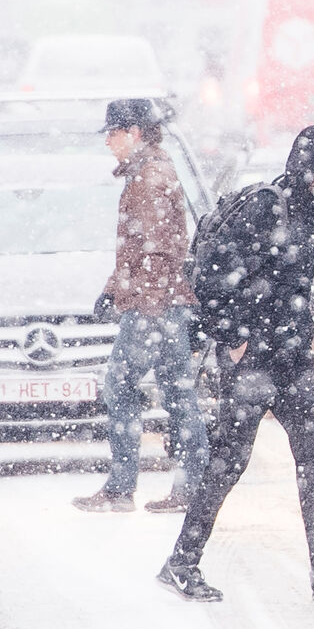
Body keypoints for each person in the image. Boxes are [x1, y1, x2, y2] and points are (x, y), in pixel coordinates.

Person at [158, 123, 314, 606]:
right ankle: (180, 562)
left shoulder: (308, 211)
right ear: (309, 164)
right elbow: (212, 276)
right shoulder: (266, 206)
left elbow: (287, 286)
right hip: (254, 360)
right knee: (228, 462)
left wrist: (301, 332)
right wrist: (233, 335)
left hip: (291, 358)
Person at [75, 96, 207, 516]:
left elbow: (153, 250)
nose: (108, 143)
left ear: (132, 133)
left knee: (119, 386)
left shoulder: (148, 177)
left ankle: (120, 488)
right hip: (167, 304)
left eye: (112, 134)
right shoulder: (152, 171)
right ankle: (192, 486)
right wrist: (114, 288)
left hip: (155, 307)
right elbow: (145, 249)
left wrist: (141, 305)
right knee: (179, 393)